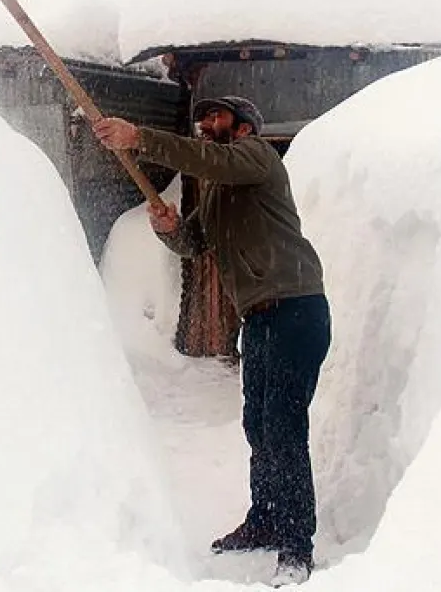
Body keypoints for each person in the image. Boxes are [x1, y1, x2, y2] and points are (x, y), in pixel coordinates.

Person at [94, 96, 330, 585]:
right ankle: (265, 519)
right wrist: (168, 228)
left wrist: (139, 137)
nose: (205, 124)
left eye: (216, 117)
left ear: (244, 126)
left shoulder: (256, 157)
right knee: (258, 424)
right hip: (260, 320)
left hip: (295, 309)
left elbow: (208, 160)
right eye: (202, 118)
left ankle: (296, 546)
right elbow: (193, 244)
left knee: (283, 427)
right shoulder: (220, 192)